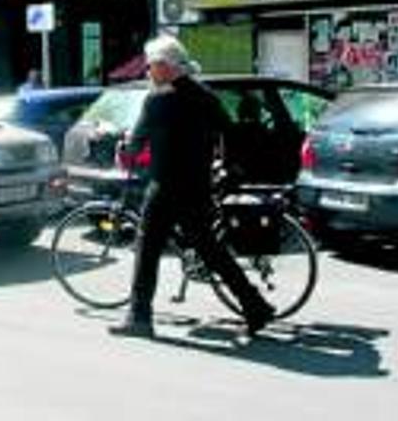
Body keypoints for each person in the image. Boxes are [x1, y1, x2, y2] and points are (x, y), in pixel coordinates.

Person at [108, 34, 275, 339]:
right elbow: (230, 132)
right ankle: (255, 305)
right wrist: (224, 164)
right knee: (211, 250)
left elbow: (135, 145)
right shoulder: (206, 95)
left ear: (164, 66)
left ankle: (139, 317)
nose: (148, 72)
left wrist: (125, 146)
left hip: (164, 187)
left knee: (147, 249)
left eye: (151, 66)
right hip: (198, 185)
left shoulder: (157, 100)